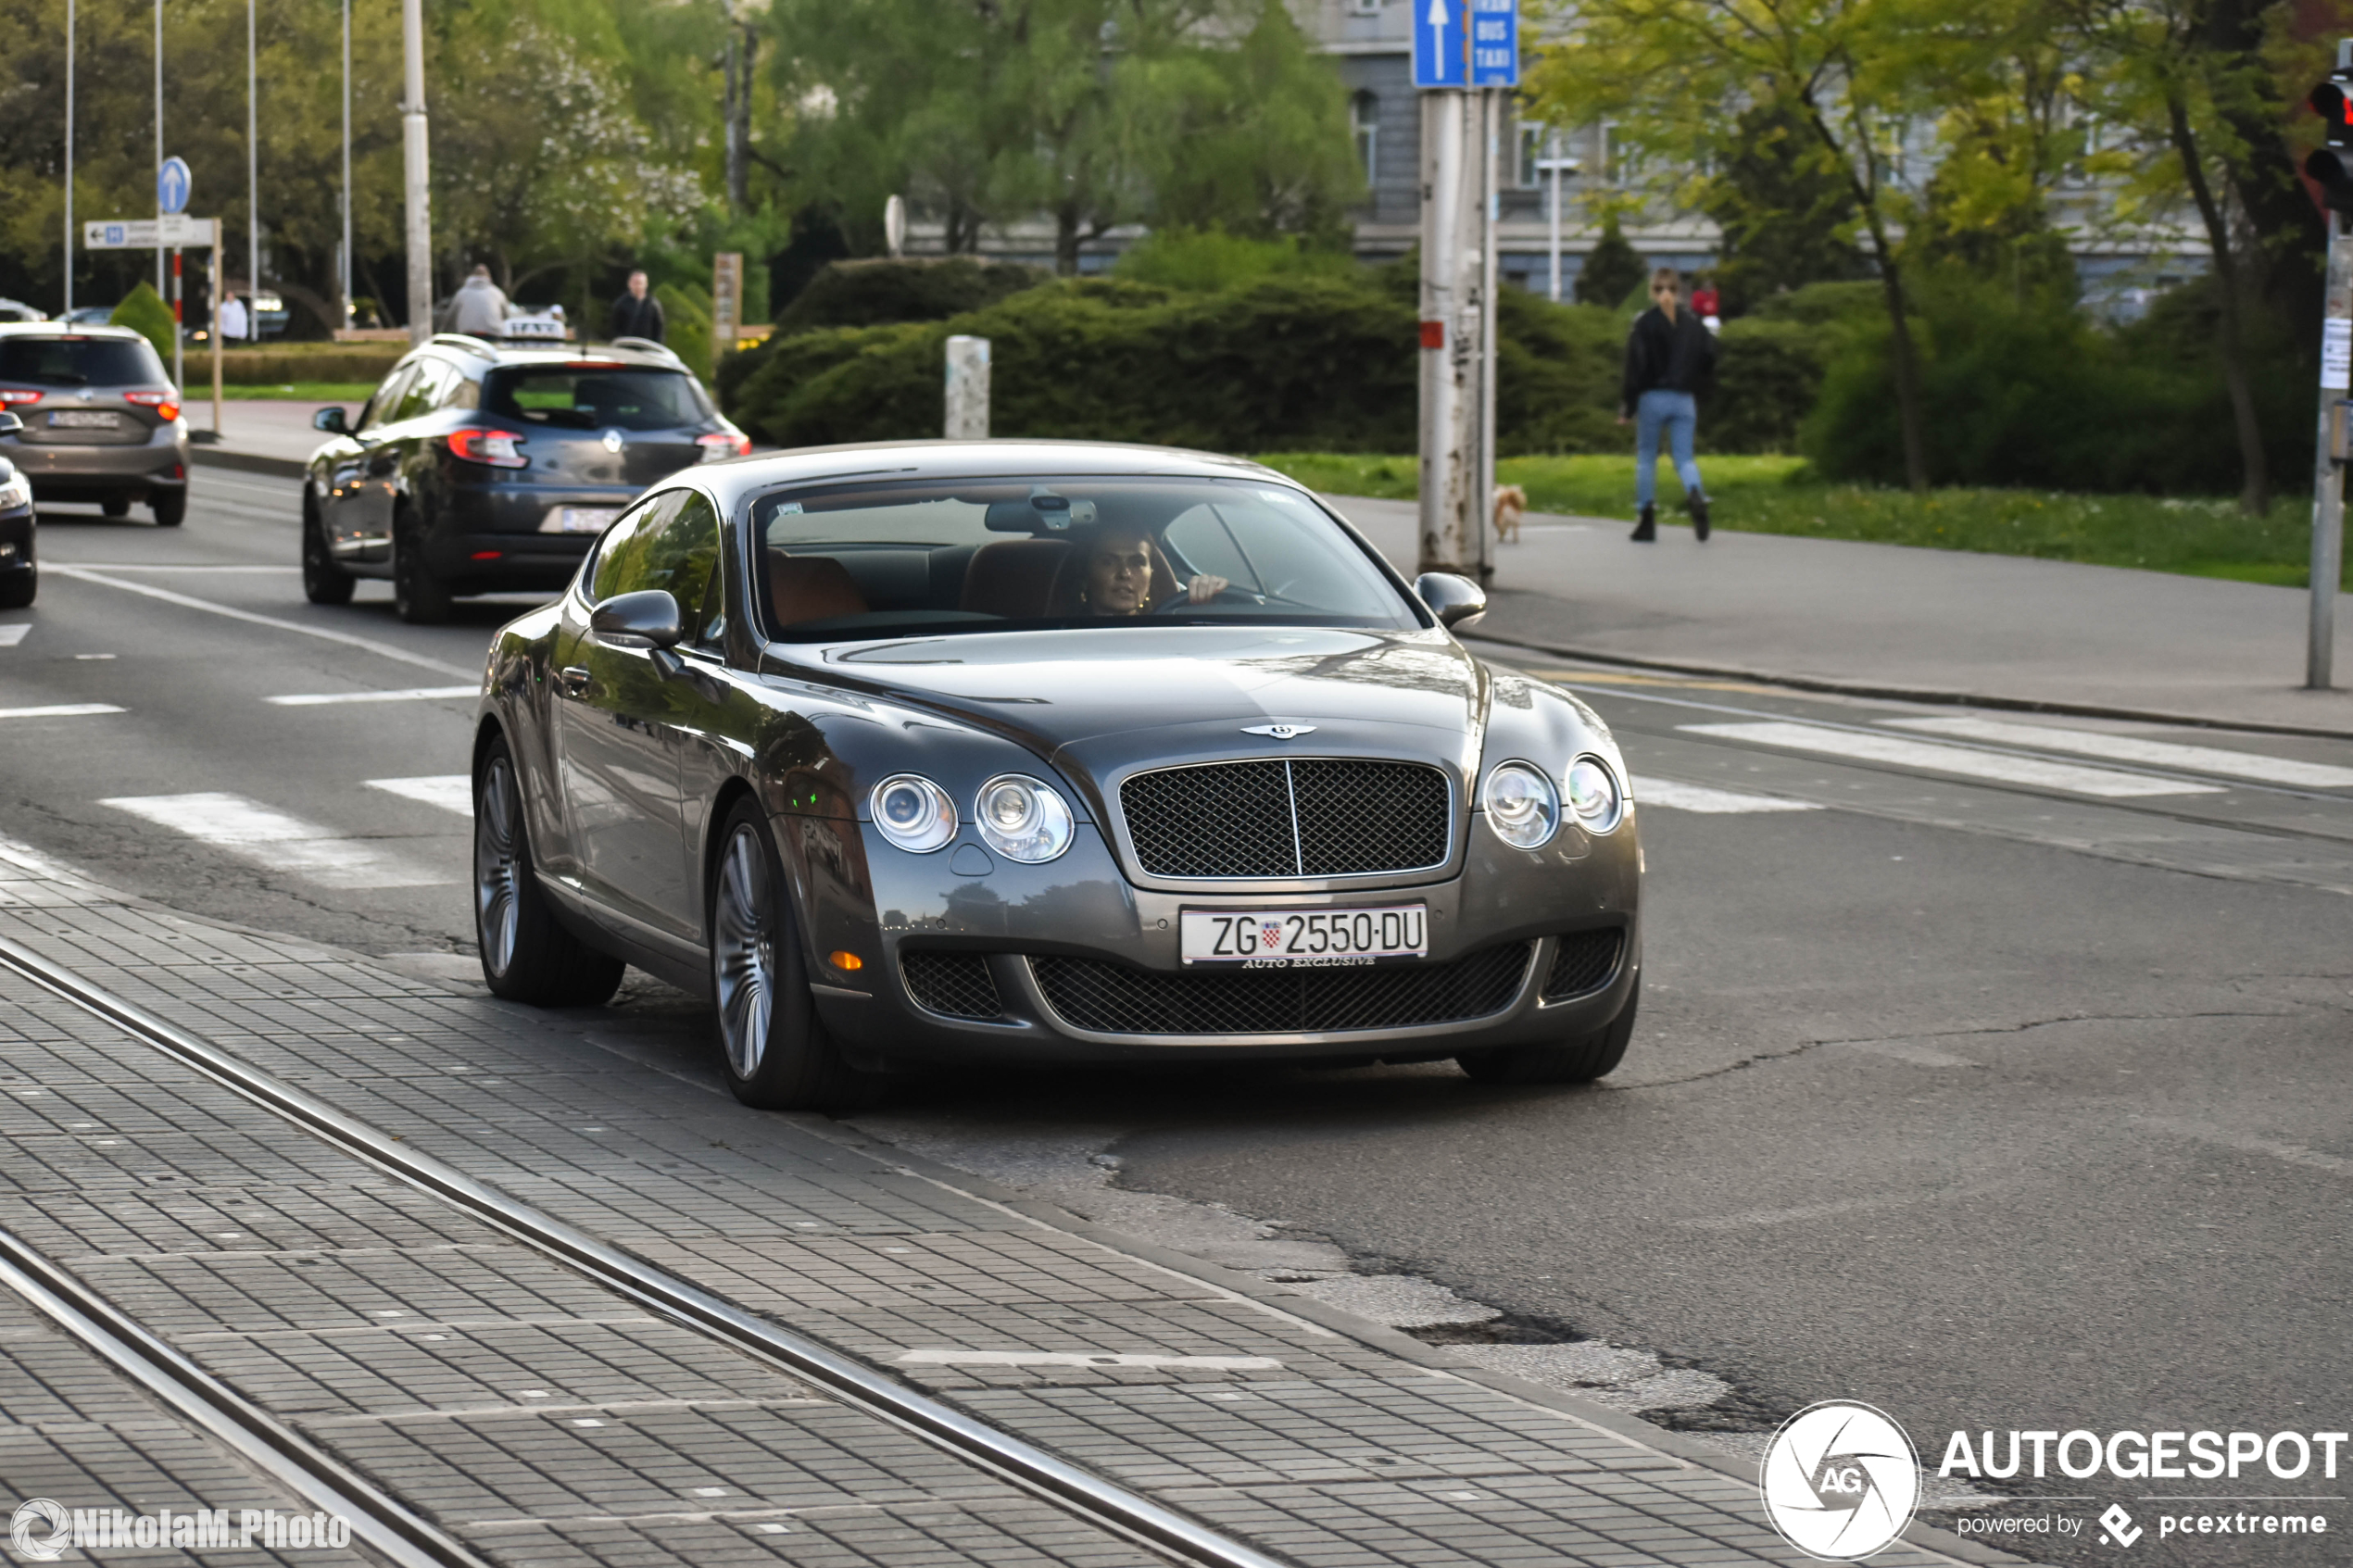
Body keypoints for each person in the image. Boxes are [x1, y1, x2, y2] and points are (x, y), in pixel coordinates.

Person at [1617, 266, 1718, 542]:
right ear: (1678, 291)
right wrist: (1699, 388)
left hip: (1653, 398)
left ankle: (1647, 519)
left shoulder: (1645, 324)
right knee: (1684, 458)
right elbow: (1709, 358)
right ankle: (1695, 493)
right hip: (1684, 399)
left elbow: (1635, 366)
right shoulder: (1694, 325)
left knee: (1647, 458)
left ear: (1653, 291)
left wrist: (1628, 406)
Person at [1075, 525, 1226, 615]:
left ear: (1151, 573)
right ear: (1086, 575)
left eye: (1137, 563)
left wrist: (1205, 608)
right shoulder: (1063, 636)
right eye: (1108, 562)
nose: (1125, 574)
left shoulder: (1173, 630)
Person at [447, 265, 509, 339]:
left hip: (468, 333)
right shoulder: (497, 292)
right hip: (492, 333)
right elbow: (506, 315)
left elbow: (451, 315)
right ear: (489, 277)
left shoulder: (462, 293)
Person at [610, 270, 665, 343]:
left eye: (640, 283)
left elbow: (659, 330)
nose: (638, 286)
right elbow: (614, 328)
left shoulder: (654, 305)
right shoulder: (621, 303)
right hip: (625, 345)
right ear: (629, 284)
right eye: (635, 283)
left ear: (646, 284)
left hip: (647, 346)